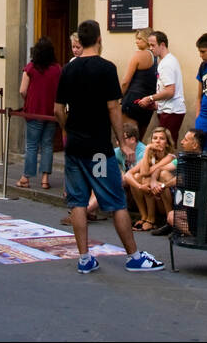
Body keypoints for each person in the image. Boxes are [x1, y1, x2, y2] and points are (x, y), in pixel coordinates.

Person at [55, 20, 164, 273]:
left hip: (75, 149)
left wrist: (68, 129)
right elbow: (113, 107)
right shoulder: (106, 68)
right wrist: (121, 141)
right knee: (116, 202)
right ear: (99, 40)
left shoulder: (67, 70)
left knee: (78, 203)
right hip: (99, 152)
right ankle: (133, 256)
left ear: (79, 42)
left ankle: (84, 258)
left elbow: (58, 110)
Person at [18, 37, 61, 190]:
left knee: (31, 145)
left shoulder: (30, 68)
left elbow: (22, 90)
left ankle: (26, 178)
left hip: (34, 112)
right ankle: (45, 179)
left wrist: (29, 99)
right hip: (51, 113)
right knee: (47, 145)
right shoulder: (57, 69)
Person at [125, 127, 176, 231]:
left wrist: (147, 149)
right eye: (155, 138)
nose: (157, 141)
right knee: (136, 177)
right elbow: (128, 175)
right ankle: (144, 217)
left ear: (167, 143)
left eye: (161, 138)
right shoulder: (151, 157)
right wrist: (140, 186)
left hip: (169, 200)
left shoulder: (170, 157)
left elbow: (146, 172)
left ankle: (153, 220)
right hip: (155, 195)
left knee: (149, 177)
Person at [139, 31, 186, 138]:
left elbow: (170, 91)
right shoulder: (166, 61)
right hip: (168, 109)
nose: (150, 48)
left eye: (153, 45)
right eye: (149, 45)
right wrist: (157, 103)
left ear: (163, 45)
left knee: (166, 145)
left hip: (171, 111)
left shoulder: (166, 63)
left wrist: (150, 98)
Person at [118, 28, 158, 138]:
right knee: (139, 141)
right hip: (147, 102)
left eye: (140, 38)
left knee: (128, 139)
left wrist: (119, 97)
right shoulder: (157, 58)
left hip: (132, 101)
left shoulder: (138, 55)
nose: (137, 41)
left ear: (147, 39)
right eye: (136, 38)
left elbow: (125, 82)